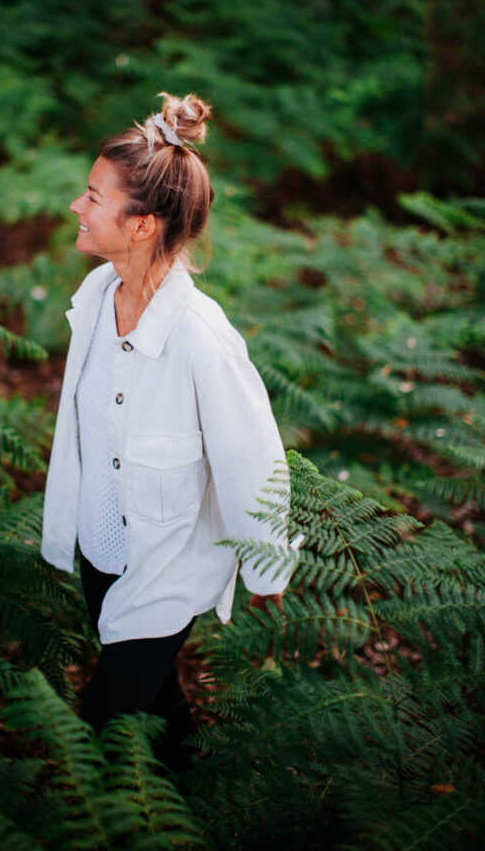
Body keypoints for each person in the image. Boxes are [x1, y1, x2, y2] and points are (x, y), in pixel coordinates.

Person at [41, 92, 303, 764]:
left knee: (98, 733)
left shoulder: (199, 336)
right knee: (157, 707)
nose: (75, 206)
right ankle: (194, 795)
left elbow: (252, 458)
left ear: (141, 225)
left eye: (92, 197)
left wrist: (267, 569)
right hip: (98, 550)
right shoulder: (95, 299)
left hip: (166, 564)